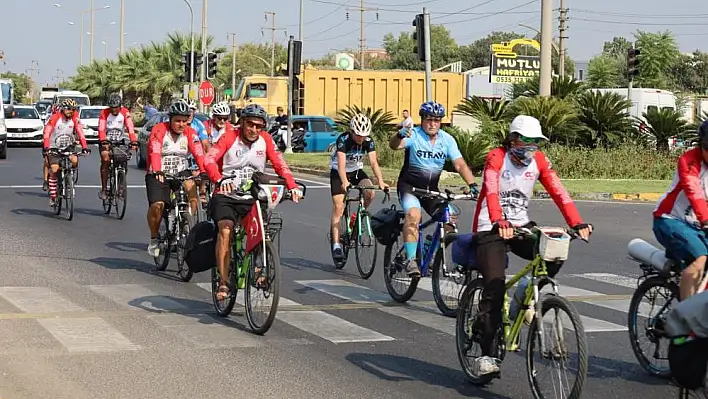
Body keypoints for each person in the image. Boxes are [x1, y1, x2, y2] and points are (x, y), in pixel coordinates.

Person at [470, 115, 592, 378]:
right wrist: (497, 219)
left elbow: (558, 191)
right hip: (490, 227)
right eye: (527, 142)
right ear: (513, 140)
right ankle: (486, 354)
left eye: (536, 142)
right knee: (494, 284)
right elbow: (491, 190)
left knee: (555, 251)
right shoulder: (496, 158)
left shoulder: (538, 160)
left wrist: (577, 222)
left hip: (522, 226)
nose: (532, 147)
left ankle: (525, 291)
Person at [204, 104, 302, 301]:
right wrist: (219, 179)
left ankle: (258, 267)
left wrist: (292, 186)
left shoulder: (265, 140)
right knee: (225, 229)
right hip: (226, 195)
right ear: (242, 123)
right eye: (250, 124)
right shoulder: (230, 137)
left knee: (261, 231)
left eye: (259, 126)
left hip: (253, 196)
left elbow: (280, 164)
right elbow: (209, 160)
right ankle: (223, 282)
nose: (254, 129)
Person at [388, 101, 478, 277]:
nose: (432, 124)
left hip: (431, 190)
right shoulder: (414, 135)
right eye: (429, 120)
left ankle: (429, 250)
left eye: (437, 120)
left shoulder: (447, 140)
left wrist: (472, 184)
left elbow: (459, 164)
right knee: (414, 215)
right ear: (422, 120)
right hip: (410, 188)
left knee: (450, 219)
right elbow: (394, 146)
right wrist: (398, 135)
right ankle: (411, 260)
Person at [653, 120, 708, 302]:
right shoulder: (690, 161)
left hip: (699, 226)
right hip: (670, 220)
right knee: (699, 258)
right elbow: (695, 193)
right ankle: (687, 319)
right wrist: (706, 220)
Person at [145, 99, 206, 257]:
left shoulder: (191, 134)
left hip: (180, 171)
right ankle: (154, 238)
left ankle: (187, 224)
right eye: (177, 121)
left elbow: (199, 153)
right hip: (159, 172)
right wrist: (158, 170)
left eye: (184, 121)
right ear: (170, 119)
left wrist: (204, 170)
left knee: (192, 190)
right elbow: (155, 151)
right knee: (158, 205)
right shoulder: (159, 130)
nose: (181, 124)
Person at [330, 113, 388, 260]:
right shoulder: (343, 140)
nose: (361, 139)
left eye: (364, 135)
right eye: (358, 135)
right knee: (338, 207)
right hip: (339, 172)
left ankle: (356, 219)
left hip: (356, 171)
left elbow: (374, 163)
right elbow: (342, 166)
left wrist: (380, 181)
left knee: (370, 193)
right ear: (351, 131)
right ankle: (336, 245)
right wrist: (344, 182)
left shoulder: (368, 141)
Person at [42, 99, 91, 206]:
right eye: (68, 109)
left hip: (67, 146)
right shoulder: (55, 118)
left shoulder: (74, 119)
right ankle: (53, 196)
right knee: (54, 169)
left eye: (73, 109)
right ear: (63, 109)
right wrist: (46, 146)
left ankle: (69, 179)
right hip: (53, 147)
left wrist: (85, 147)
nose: (71, 111)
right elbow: (46, 133)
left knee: (74, 160)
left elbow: (80, 133)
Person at [97, 94, 138, 199]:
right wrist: (103, 141)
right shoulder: (104, 113)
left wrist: (133, 141)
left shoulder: (125, 112)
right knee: (105, 159)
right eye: (112, 108)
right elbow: (101, 129)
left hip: (119, 141)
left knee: (123, 159)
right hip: (106, 141)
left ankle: (121, 184)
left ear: (120, 106)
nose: (114, 110)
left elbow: (130, 127)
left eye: (116, 108)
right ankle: (104, 189)